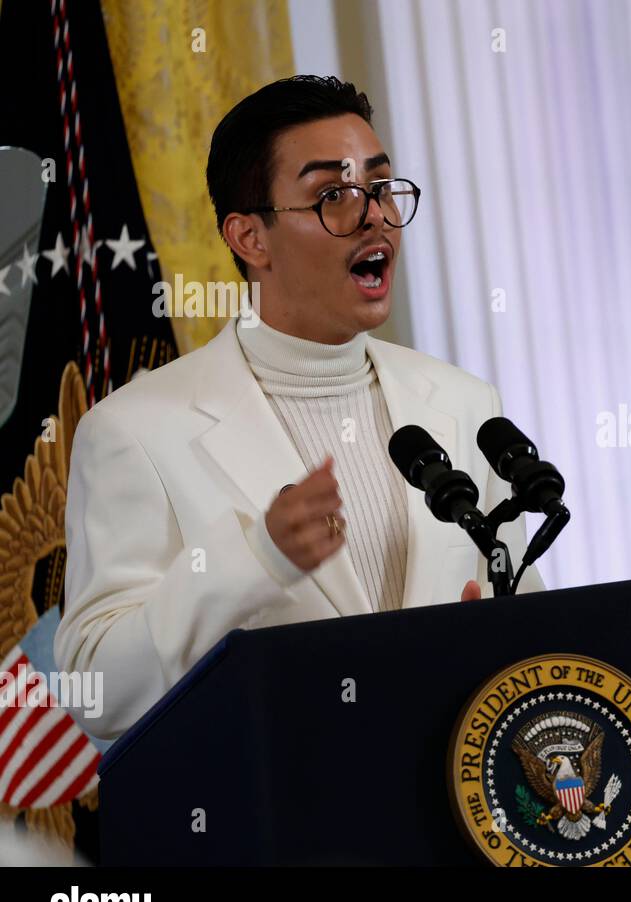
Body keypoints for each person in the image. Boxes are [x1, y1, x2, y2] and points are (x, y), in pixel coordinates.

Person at [55, 76, 540, 741]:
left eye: (381, 187)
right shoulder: (135, 431)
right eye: (332, 196)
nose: (374, 215)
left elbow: (532, 626)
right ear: (250, 238)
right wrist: (254, 560)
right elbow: (95, 689)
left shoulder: (462, 401)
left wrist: (487, 643)